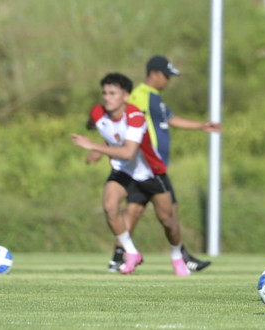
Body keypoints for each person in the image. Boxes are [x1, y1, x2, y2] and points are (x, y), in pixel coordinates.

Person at [106, 56, 220, 273]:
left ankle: (121, 257)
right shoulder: (140, 95)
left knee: (138, 211)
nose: (168, 80)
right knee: (157, 213)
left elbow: (170, 119)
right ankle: (177, 257)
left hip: (155, 166)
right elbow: (124, 118)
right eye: (166, 76)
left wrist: (201, 125)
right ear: (154, 74)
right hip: (147, 166)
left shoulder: (155, 98)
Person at [72, 73, 192, 276]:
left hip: (149, 173)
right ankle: (131, 252)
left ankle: (176, 256)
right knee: (110, 207)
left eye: (113, 93)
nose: (107, 97)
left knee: (167, 220)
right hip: (123, 172)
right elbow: (99, 126)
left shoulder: (136, 117)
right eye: (104, 93)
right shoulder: (98, 112)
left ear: (126, 96)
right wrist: (99, 147)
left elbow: (128, 152)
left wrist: (94, 146)